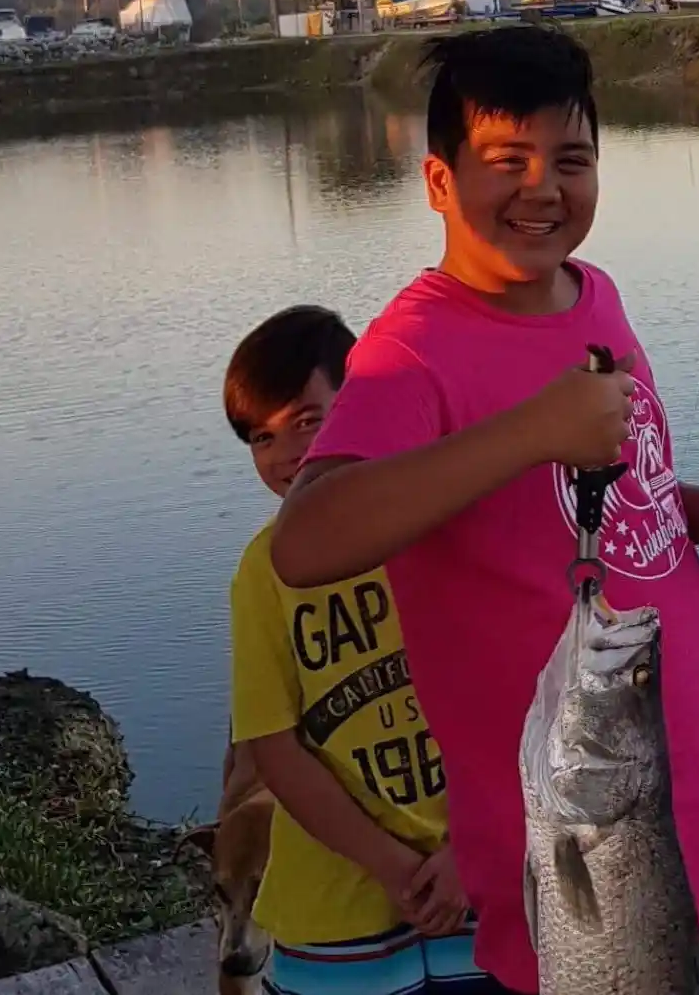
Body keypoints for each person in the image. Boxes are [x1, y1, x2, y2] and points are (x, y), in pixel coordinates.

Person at [270, 27, 699, 995]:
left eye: (570, 159)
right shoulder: (414, 350)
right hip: (571, 839)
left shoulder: (593, 294)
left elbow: (617, 504)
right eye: (506, 161)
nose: (544, 188)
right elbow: (307, 540)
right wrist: (532, 428)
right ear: (438, 180)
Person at [224, 305, 499, 994]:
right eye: (262, 436)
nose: (286, 453)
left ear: (365, 406)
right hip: (334, 913)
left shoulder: (448, 528)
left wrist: (472, 844)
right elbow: (274, 747)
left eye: (309, 420)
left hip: (481, 877)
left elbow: (518, 696)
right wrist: (391, 865)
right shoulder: (264, 571)